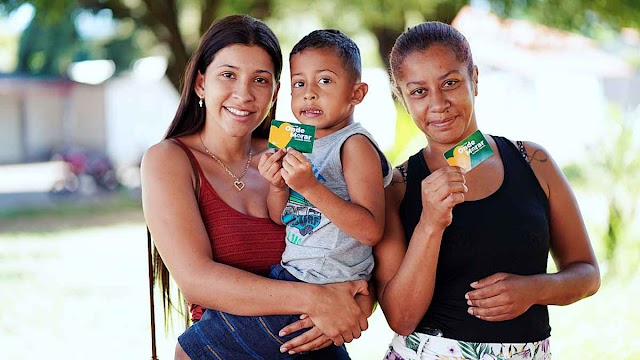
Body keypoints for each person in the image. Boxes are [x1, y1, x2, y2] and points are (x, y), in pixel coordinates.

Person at [141, 15, 371, 360]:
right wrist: (317, 299)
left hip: (313, 346)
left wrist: (359, 304)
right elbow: (196, 280)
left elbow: (358, 240)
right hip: (228, 348)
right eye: (228, 75)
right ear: (201, 83)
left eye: (260, 80)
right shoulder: (169, 160)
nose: (244, 94)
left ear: (275, 91)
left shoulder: (295, 157)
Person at [373, 21, 600, 360]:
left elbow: (587, 273)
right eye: (418, 91)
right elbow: (401, 319)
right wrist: (431, 223)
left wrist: (533, 289)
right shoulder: (397, 187)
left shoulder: (534, 161)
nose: (438, 104)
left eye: (450, 83)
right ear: (403, 99)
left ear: (474, 79)